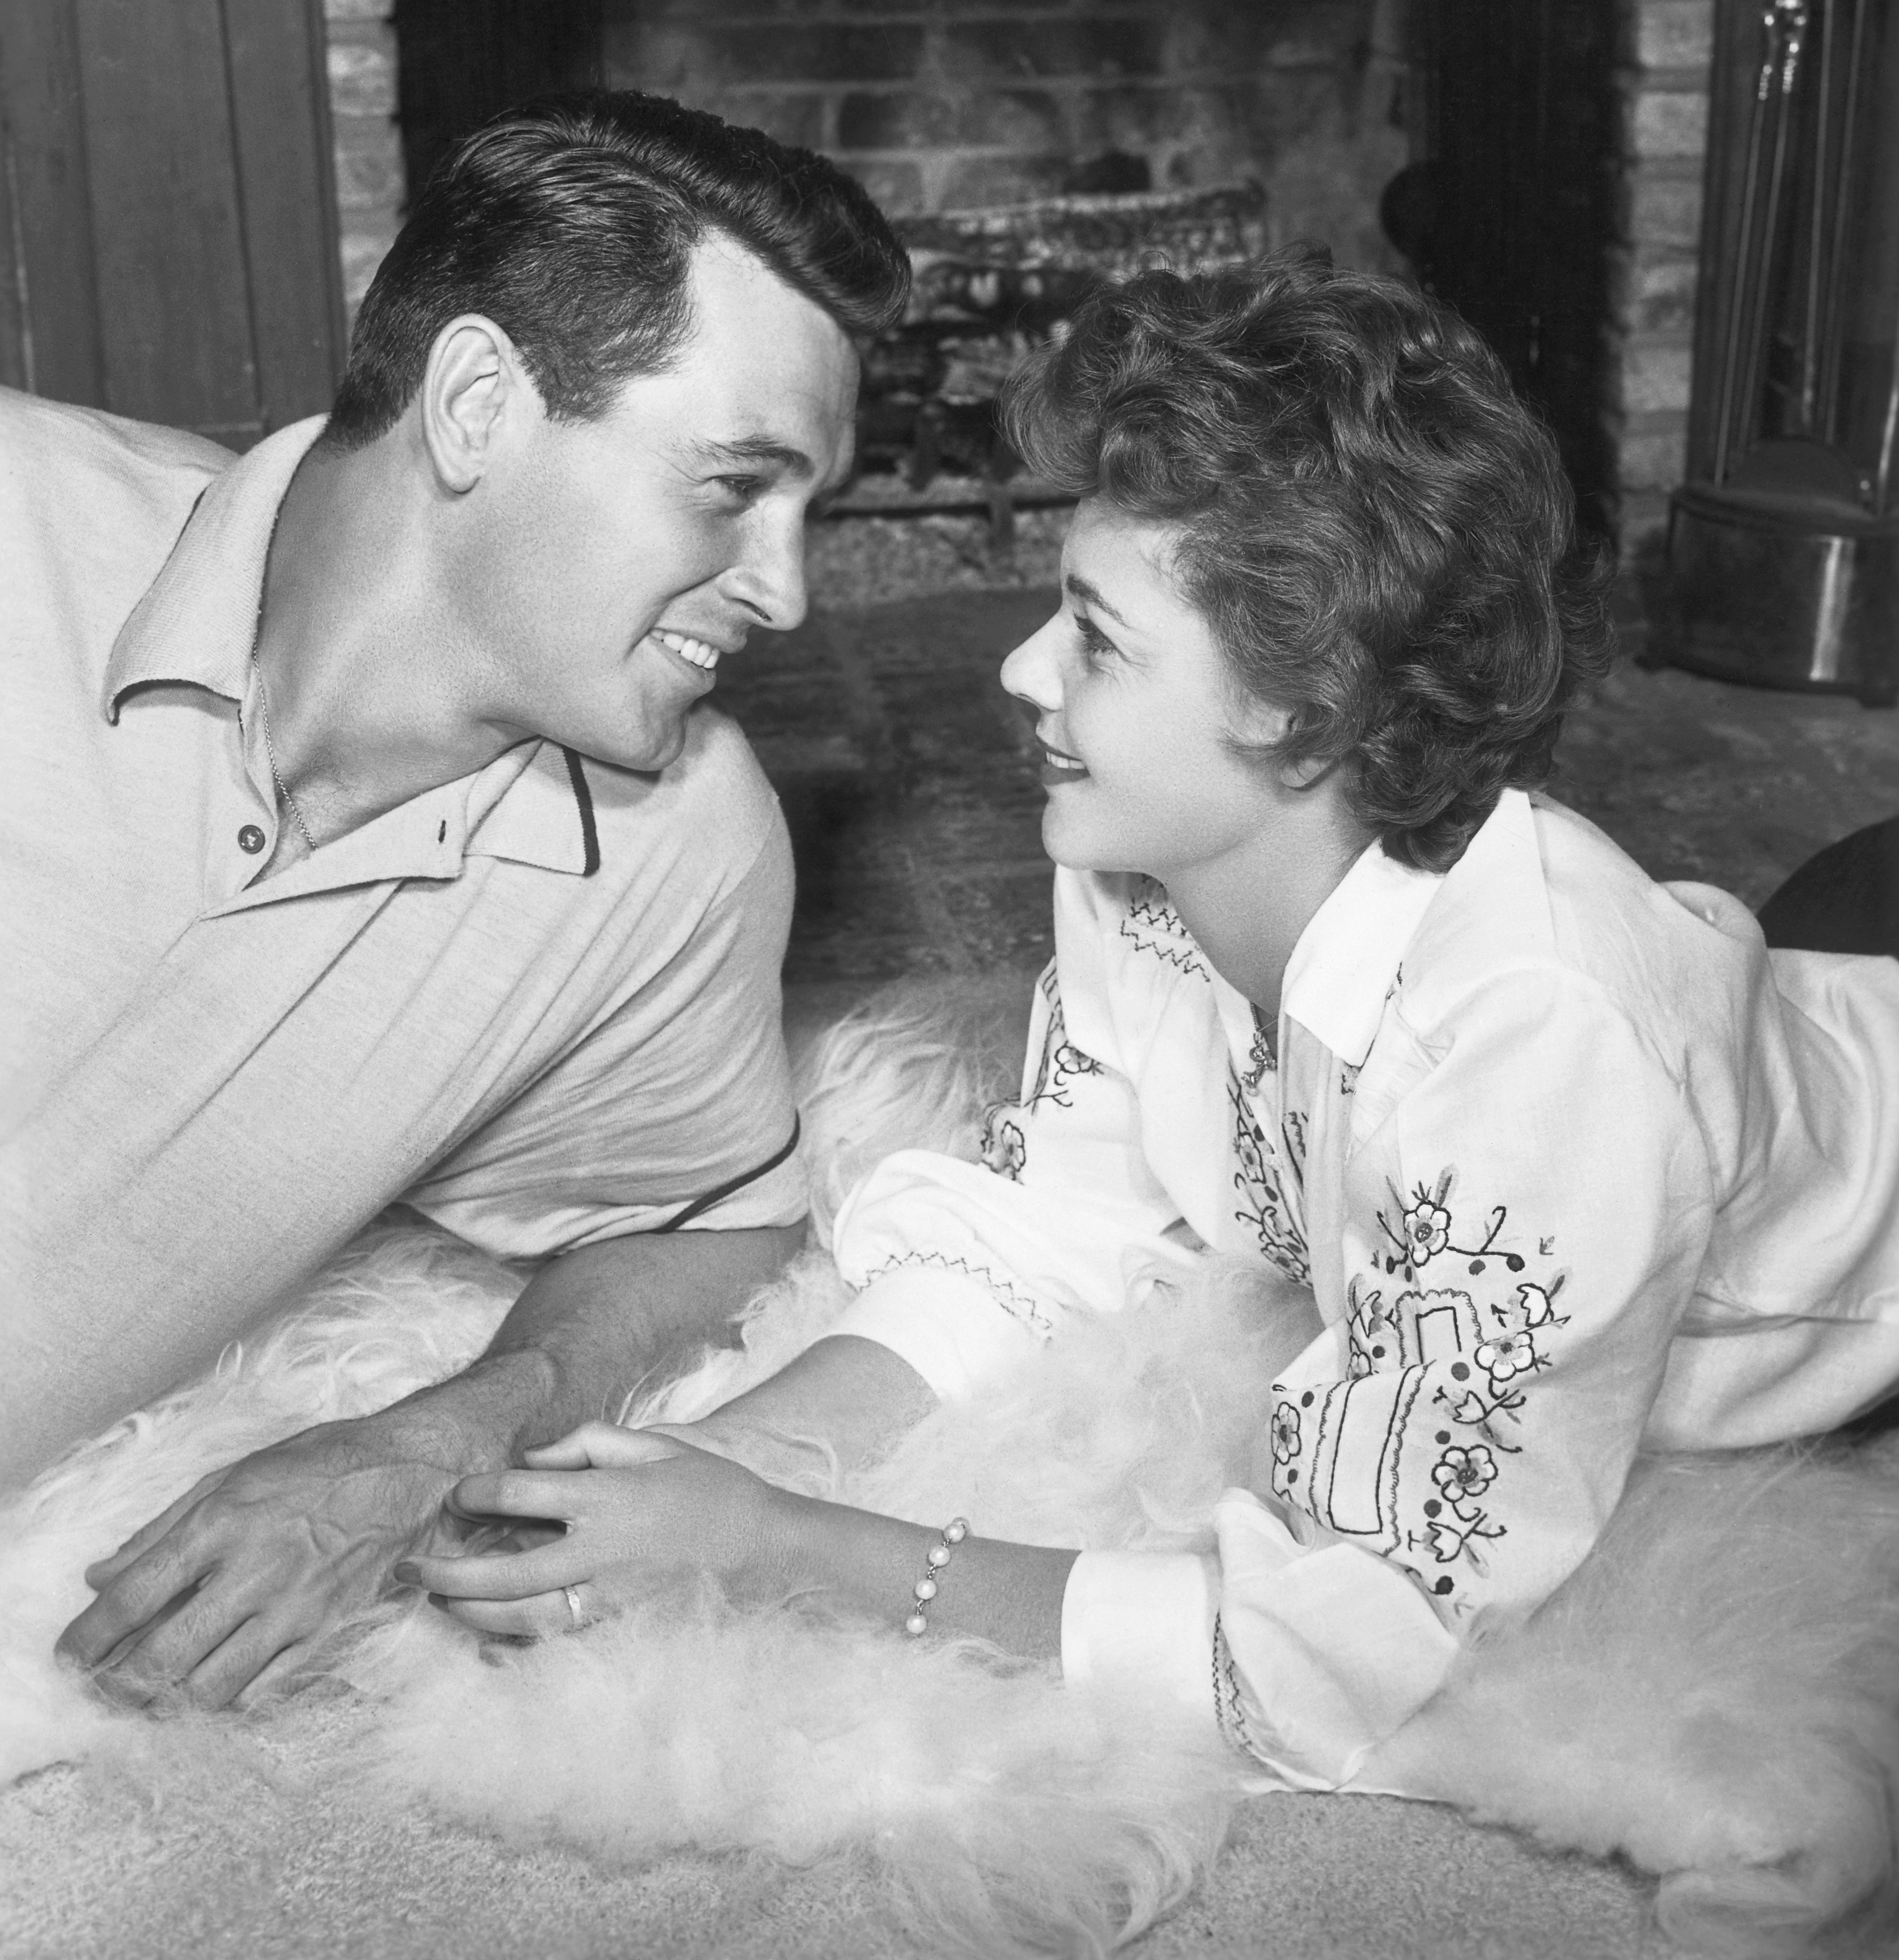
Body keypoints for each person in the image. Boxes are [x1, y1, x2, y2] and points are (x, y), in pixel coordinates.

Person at [400, 247, 1899, 1788]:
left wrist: (780, 1548)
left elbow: (1338, 1661)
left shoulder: (1536, 1051)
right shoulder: (1144, 861)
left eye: (1099, 639)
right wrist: (719, 1457)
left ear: (1301, 713)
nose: (1021, 667)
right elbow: (1048, 1235)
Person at [2, 91, 909, 1709]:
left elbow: (702, 1224)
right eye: (730, 489)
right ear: (479, 403)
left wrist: (432, 1441)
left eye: (807, 512)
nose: (786, 588)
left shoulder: (677, 847)